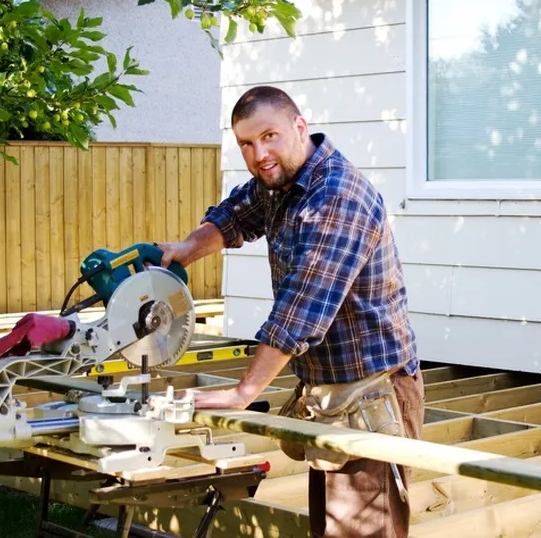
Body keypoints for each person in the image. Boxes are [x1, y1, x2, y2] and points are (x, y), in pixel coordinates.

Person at [158, 85, 424, 538]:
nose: (259, 153)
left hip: (373, 393)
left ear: (300, 127)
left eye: (269, 136)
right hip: (329, 391)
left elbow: (302, 309)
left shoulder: (337, 199)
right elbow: (233, 217)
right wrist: (183, 250)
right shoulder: (281, 181)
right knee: (333, 528)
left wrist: (244, 391)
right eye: (246, 143)